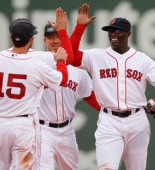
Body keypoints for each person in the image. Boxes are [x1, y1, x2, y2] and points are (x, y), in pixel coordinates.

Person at [67, 4, 155, 170]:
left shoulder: (142, 60)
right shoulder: (97, 56)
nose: (113, 35)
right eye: (110, 31)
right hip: (109, 121)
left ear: (128, 33)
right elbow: (71, 57)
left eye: (118, 31)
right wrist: (80, 27)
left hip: (137, 121)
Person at [0, 18, 68, 170]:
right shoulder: (36, 65)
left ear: (10, 37)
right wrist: (61, 61)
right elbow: (62, 80)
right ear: (31, 39)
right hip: (23, 126)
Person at [36, 16, 101, 170]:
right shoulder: (37, 64)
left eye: (58, 36)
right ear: (44, 41)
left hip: (67, 130)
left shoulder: (76, 68)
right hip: (42, 128)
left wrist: (109, 111)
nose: (55, 41)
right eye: (50, 37)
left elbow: (89, 95)